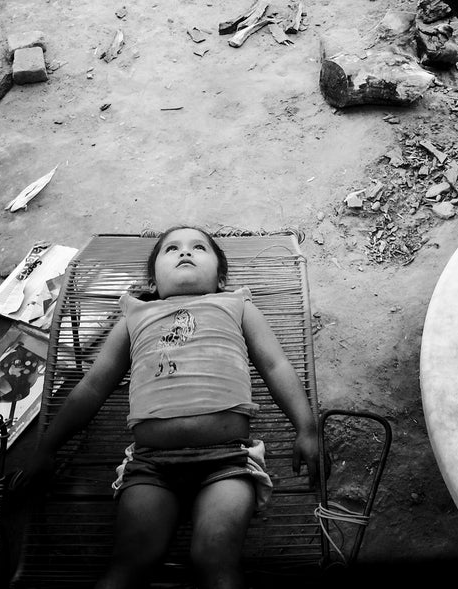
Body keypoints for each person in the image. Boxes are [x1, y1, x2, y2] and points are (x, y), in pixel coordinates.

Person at [21, 226, 320, 589]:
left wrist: (306, 428)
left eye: (199, 247)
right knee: (130, 561)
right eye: (171, 249)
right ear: (153, 277)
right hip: (151, 466)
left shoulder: (237, 306)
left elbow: (277, 367)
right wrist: (47, 448)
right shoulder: (134, 317)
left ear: (221, 276)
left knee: (215, 559)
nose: (185, 253)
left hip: (226, 462)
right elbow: (93, 386)